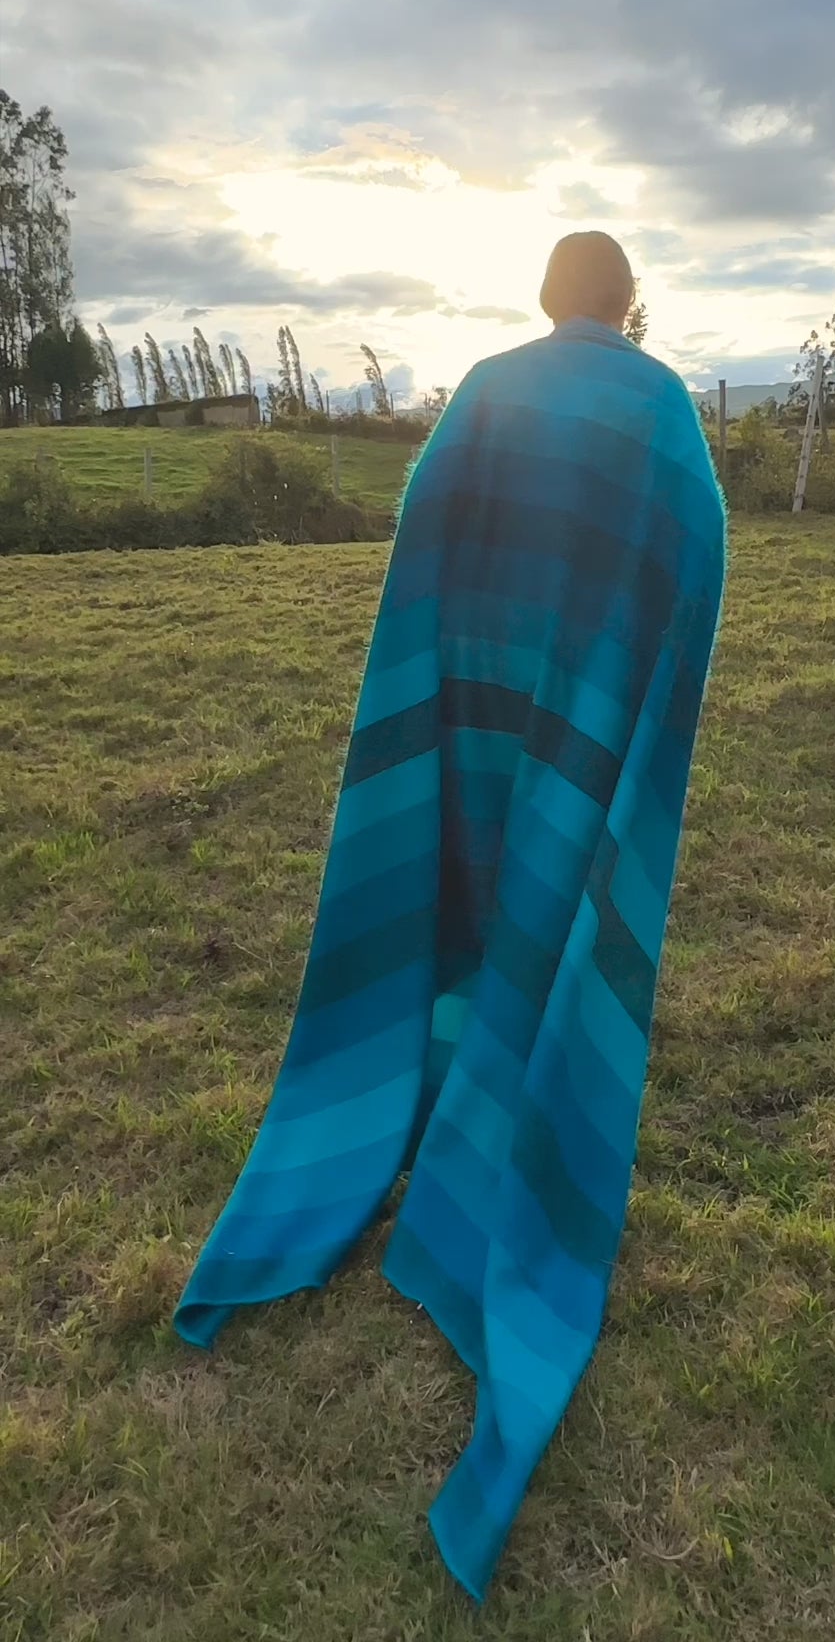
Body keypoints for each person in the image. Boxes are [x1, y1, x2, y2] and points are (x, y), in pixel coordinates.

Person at [175, 231, 727, 1600]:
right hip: (583, 708)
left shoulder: (483, 387)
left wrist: (441, 667)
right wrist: (639, 693)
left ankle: (423, 1131)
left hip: (472, 698)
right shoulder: (660, 407)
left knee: (464, 904)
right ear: (627, 304)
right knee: (548, 923)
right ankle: (502, 1166)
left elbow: (420, 539)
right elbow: (697, 557)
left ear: (548, 300)